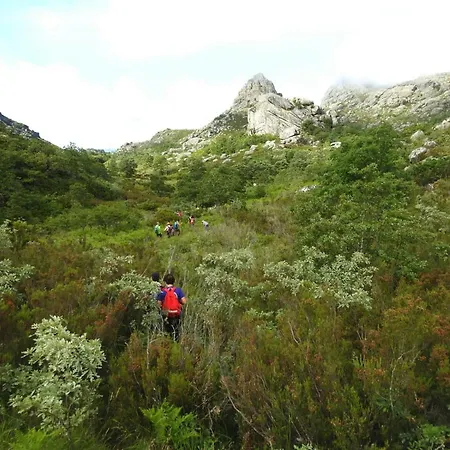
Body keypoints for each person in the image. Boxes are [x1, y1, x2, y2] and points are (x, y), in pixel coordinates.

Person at [156, 273, 187, 341]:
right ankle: (176, 345)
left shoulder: (162, 292)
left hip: (166, 314)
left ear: (165, 281)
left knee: (167, 332)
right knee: (176, 332)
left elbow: (158, 304)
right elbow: (184, 301)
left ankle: (168, 345)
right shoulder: (178, 290)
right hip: (176, 314)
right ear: (174, 281)